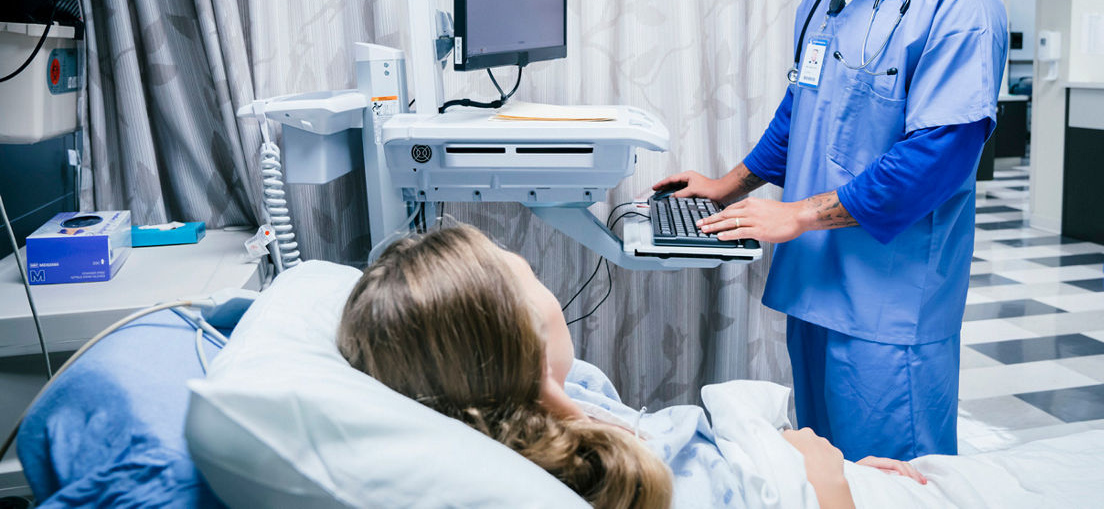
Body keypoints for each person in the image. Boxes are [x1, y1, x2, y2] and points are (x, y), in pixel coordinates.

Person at [655, 0, 1008, 462]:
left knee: (894, 484)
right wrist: (730, 184)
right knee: (828, 475)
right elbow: (804, 109)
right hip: (819, 292)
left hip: (892, 310)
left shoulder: (957, 4)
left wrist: (797, 217)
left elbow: (941, 156)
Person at [337, 224, 926, 509]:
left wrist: (838, 467)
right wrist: (829, 483)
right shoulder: (619, 484)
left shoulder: (574, 399)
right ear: (528, 335)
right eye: (526, 273)